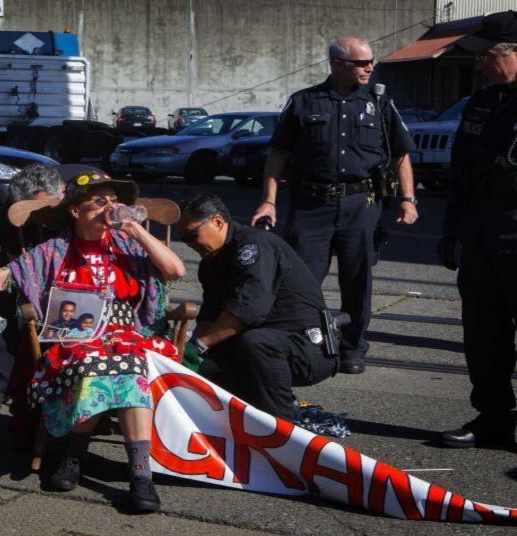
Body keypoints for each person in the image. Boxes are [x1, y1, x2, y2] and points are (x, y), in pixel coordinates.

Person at [0, 169, 187, 513]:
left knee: (127, 362)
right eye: (99, 200)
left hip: (130, 336)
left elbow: (175, 271)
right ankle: (97, 463)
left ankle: (118, 470)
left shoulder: (130, 244)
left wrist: (135, 228)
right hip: (76, 340)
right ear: (75, 210)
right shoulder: (54, 251)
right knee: (101, 363)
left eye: (114, 199)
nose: (109, 206)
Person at [254, 36, 419, 375]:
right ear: (338, 63)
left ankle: (352, 348)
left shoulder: (380, 103)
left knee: (357, 281)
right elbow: (278, 155)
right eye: (362, 63)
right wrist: (269, 201)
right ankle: (302, 345)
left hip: (361, 204)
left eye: (371, 61)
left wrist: (408, 199)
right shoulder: (303, 102)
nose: (369, 68)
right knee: (300, 281)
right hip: (311, 205)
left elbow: (401, 154)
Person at [177, 193, 338, 421]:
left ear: (217, 222)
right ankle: (236, 418)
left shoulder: (254, 246)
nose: (189, 243)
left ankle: (281, 429)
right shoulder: (211, 262)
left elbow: (248, 309)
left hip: (307, 346)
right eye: (183, 238)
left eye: (192, 235)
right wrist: (187, 355)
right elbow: (210, 319)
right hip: (263, 342)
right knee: (206, 362)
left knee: (255, 342)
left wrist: (199, 345)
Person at [438, 11, 517, 449]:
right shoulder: (482, 102)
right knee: (484, 338)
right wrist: (451, 233)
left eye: (488, 56)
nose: (480, 65)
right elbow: (461, 174)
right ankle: (493, 418)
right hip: (482, 240)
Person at [0, 163, 67, 413]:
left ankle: (51, 379)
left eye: (41, 207)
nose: (35, 213)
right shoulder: (14, 204)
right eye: (27, 208)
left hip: (69, 267)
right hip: (24, 259)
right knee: (4, 304)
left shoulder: (74, 198)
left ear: (62, 191)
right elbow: (10, 246)